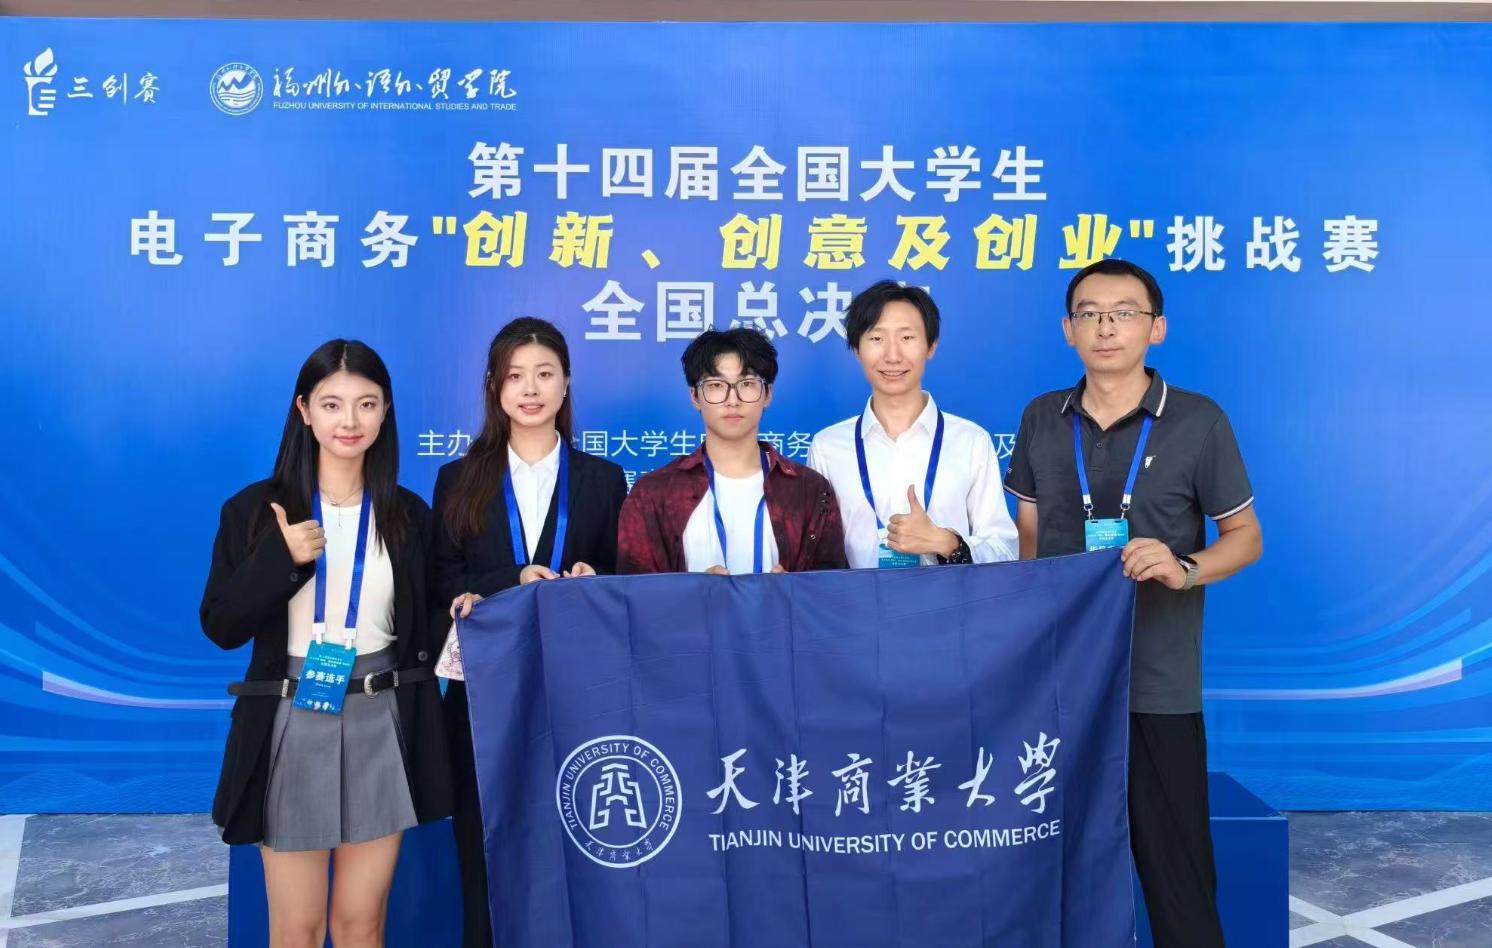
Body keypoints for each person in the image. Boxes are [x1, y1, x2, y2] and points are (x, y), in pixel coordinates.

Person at [1004, 258, 1263, 948]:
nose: (1106, 327)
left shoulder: (1198, 420)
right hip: (1059, 682)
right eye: (1089, 314)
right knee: (1052, 863)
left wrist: (1184, 567)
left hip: (1156, 679)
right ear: (1068, 330)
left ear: (1157, 328)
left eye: (1124, 313)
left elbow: (1245, 537)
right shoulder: (1042, 418)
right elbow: (1029, 539)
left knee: (1176, 872)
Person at [201, 339, 451, 948]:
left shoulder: (409, 516)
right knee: (298, 928)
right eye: (332, 404)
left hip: (383, 715)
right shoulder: (255, 512)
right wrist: (279, 560)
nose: (350, 420)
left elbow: (439, 616)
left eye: (367, 403)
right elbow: (221, 626)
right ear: (304, 410)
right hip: (292, 715)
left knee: (362, 923)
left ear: (385, 411)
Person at [431, 317, 627, 948]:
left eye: (545, 374)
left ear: (566, 383)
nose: (531, 389)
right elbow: (440, 581)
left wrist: (595, 579)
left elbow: (625, 580)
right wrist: (506, 580)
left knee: (573, 842)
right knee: (485, 843)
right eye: (515, 376)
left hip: (575, 697)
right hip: (484, 698)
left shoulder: (603, 480)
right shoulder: (460, 479)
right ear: (495, 387)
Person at [808, 279, 1017, 569]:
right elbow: (816, 556)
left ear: (931, 346)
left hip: (946, 598)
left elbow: (1006, 551)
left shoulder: (971, 441)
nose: (892, 356)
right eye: (876, 338)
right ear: (856, 349)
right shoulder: (827, 447)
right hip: (858, 598)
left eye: (907, 338)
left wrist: (946, 542)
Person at [618, 327, 846, 575]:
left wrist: (791, 591)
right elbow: (634, 591)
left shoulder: (808, 489)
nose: (732, 400)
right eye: (716, 385)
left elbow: (831, 588)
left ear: (767, 394)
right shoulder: (653, 493)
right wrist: (693, 591)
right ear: (695, 397)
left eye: (747, 383)